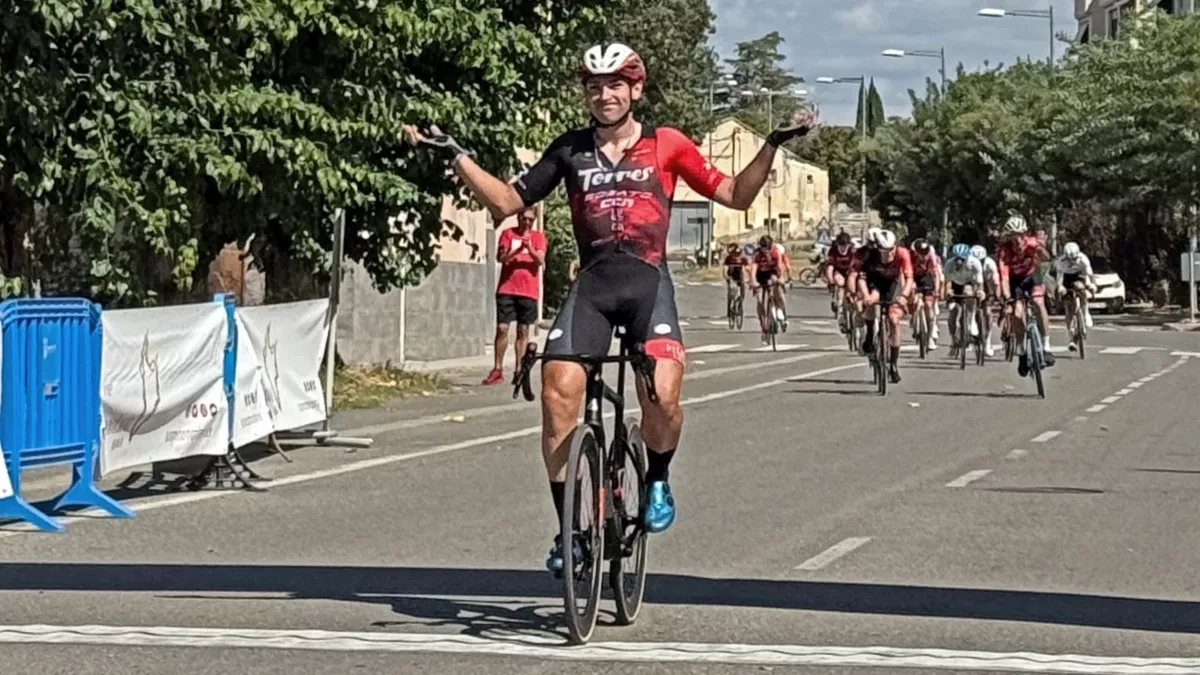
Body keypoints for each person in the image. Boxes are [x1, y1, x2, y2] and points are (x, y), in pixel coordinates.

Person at [404, 42, 817, 572]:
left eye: (615, 84)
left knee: (661, 396)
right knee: (556, 396)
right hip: (593, 286)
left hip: (647, 284)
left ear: (635, 90)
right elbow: (508, 202)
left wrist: (774, 143)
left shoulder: (666, 144)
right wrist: (456, 155)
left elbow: (735, 194)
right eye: (595, 86)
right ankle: (569, 534)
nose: (604, 95)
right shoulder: (569, 150)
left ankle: (658, 479)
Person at [483, 207, 546, 385]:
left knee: (523, 330)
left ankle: (519, 369)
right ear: (518, 218)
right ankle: (497, 368)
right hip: (507, 289)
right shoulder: (508, 234)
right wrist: (516, 251)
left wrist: (529, 248)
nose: (527, 222)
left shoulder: (538, 238)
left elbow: (540, 260)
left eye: (530, 220)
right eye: (524, 219)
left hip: (528, 291)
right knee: (502, 328)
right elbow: (501, 258)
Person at [997, 213, 1056, 375]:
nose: (1018, 240)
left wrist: (1040, 250)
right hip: (1015, 281)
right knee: (1017, 314)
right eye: (1013, 237)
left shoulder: (1032, 243)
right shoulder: (1004, 251)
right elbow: (1004, 277)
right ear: (1008, 237)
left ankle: (1046, 346)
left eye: (1021, 235)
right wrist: (1008, 297)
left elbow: (1046, 258)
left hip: (1032, 276)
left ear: (1025, 234)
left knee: (1038, 302)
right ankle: (1022, 352)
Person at [856, 229, 912, 384]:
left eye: (890, 250)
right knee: (872, 300)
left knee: (893, 320)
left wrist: (904, 296)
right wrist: (865, 296)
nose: (887, 255)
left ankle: (893, 364)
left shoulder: (902, 254)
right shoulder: (870, 256)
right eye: (883, 251)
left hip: (892, 285)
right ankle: (869, 334)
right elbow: (861, 279)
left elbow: (908, 277)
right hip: (874, 283)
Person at [1053, 241, 1097, 350]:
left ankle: (1086, 312)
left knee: (1081, 287)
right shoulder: (1061, 262)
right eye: (1069, 259)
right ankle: (1071, 335)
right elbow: (1059, 278)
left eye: (1074, 259)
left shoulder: (1083, 259)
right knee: (1068, 307)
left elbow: (1090, 274)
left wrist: (1092, 285)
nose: (1072, 261)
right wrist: (1060, 287)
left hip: (1079, 276)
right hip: (1066, 278)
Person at [943, 243, 984, 355]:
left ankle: (971, 322)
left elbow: (979, 282)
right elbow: (947, 283)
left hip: (969, 283)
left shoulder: (974, 263)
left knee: (969, 292)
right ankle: (953, 340)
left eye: (962, 259)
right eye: (957, 258)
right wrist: (947, 292)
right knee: (952, 314)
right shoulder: (949, 264)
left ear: (967, 257)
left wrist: (980, 292)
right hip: (955, 285)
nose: (959, 261)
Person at [750, 235, 788, 340]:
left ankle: (782, 312)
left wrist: (781, 278)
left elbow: (780, 266)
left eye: (768, 248)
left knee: (778, 289)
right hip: (760, 275)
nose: (766, 251)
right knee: (760, 299)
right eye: (763, 248)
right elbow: (753, 268)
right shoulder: (757, 254)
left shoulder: (775, 252)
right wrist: (753, 281)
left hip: (772, 272)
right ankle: (763, 324)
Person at [908, 238, 942, 350]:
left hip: (926, 278)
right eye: (920, 253)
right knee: (912, 292)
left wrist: (936, 289)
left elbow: (936, 273)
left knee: (928, 306)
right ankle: (913, 315)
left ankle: (930, 336)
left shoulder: (930, 255)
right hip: (913, 277)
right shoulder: (910, 256)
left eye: (925, 253)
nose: (922, 255)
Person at [970, 244, 1001, 357]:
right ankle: (971, 321)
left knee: (988, 313)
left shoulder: (990, 263)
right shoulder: (968, 263)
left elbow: (996, 281)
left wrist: (998, 296)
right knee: (970, 301)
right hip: (973, 284)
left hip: (987, 285)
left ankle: (987, 341)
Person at [825, 232, 858, 321]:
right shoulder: (833, 251)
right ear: (837, 244)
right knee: (840, 283)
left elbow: (857, 265)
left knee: (851, 287)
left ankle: (852, 305)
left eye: (846, 245)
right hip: (838, 271)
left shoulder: (853, 251)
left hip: (849, 271)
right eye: (841, 245)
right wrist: (831, 282)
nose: (843, 248)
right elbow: (829, 268)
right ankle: (838, 305)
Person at [722, 242, 748, 316]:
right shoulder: (729, 258)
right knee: (732, 291)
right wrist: (727, 277)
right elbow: (725, 269)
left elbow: (746, 269)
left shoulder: (742, 258)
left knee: (741, 290)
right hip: (732, 276)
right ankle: (731, 305)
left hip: (739, 276)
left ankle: (739, 304)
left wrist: (747, 278)